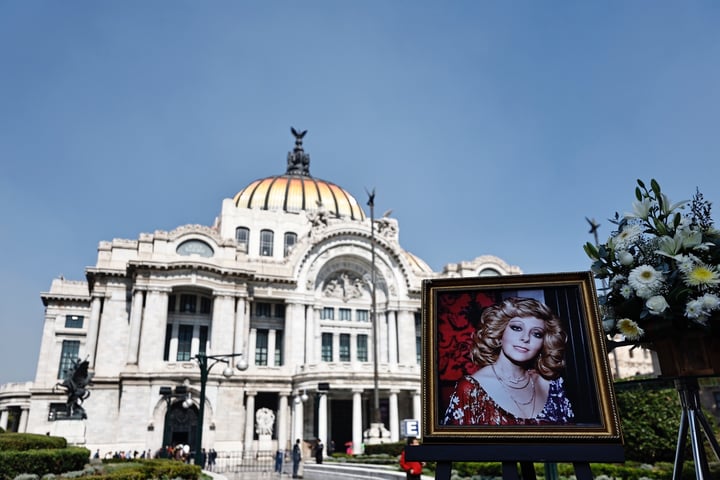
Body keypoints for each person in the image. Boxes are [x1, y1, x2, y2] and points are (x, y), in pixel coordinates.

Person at [442, 297, 574, 425]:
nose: (525, 338)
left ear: (543, 344)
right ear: (500, 334)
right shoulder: (471, 389)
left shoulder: (552, 385)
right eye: (517, 328)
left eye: (536, 334)